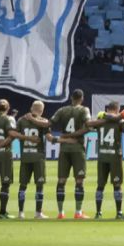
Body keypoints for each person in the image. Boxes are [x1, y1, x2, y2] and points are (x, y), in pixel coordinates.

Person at [86, 100, 124, 219]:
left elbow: (88, 124)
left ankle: (98, 213)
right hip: (115, 157)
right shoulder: (120, 121)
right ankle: (118, 213)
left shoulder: (99, 120)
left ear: (107, 109)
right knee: (117, 185)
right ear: (118, 110)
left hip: (102, 156)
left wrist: (104, 118)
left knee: (100, 185)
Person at [48, 89, 91, 219]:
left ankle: (61, 213)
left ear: (71, 97)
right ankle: (78, 212)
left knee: (61, 180)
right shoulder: (84, 110)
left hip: (64, 149)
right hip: (77, 148)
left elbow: (49, 124)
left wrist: (56, 138)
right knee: (79, 180)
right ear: (81, 99)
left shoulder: (62, 110)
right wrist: (72, 135)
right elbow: (88, 126)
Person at [15, 101, 50, 219]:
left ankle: (21, 213)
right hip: (38, 157)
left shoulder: (21, 120)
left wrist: (25, 137)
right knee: (39, 185)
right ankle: (38, 213)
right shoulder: (43, 121)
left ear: (31, 108)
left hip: (25, 156)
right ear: (42, 110)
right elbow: (47, 129)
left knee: (23, 185)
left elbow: (14, 133)